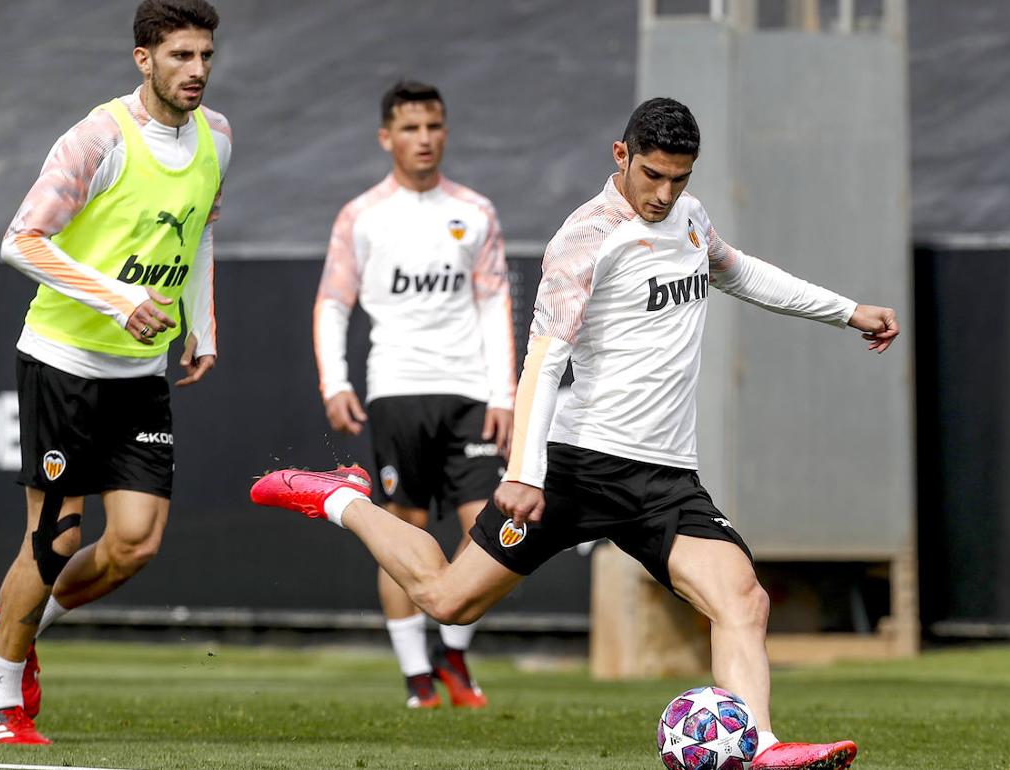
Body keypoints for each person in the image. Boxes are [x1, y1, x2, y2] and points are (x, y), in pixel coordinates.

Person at [257, 97, 895, 768]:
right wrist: (524, 471)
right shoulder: (584, 240)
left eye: (680, 178)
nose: (665, 193)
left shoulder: (689, 218)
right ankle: (341, 498)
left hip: (664, 476)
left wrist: (848, 312)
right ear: (620, 155)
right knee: (449, 601)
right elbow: (544, 360)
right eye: (653, 174)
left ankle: (760, 748)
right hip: (578, 465)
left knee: (742, 597)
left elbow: (738, 271)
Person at [0, 0, 230, 745]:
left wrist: (200, 327)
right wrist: (119, 299)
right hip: (64, 363)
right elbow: (21, 241)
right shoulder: (98, 137)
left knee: (135, 545)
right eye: (181, 56)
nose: (197, 71)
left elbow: (202, 232)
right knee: (54, 537)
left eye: (206, 55)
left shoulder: (216, 136)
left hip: (141, 372)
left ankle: (17, 620)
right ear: (143, 59)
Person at [313, 80, 515, 709]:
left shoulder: (476, 211)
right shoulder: (363, 216)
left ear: (445, 132)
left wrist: (504, 393)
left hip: (469, 391)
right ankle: (416, 676)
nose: (423, 139)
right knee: (404, 530)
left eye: (433, 126)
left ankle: (452, 653)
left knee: (495, 527)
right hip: (397, 390)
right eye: (409, 128)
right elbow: (332, 304)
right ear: (386, 137)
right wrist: (336, 382)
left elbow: (494, 305)